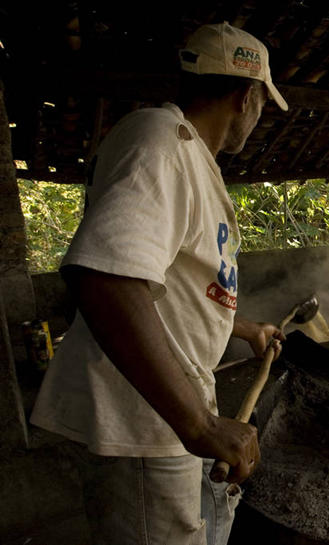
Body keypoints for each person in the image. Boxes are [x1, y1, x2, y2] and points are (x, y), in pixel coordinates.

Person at [30, 22, 289, 545]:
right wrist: (200, 425)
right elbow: (106, 276)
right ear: (245, 97)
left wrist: (243, 328)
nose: (258, 117)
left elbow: (169, 288)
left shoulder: (184, 153)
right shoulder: (162, 143)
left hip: (170, 418)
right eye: (262, 104)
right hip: (147, 427)